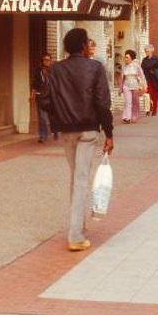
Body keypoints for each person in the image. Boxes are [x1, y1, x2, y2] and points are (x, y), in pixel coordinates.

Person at [39, 28, 113, 252]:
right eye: (88, 43)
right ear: (83, 46)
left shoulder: (56, 69)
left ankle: (78, 226)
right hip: (88, 130)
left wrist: (58, 119)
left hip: (67, 130)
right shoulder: (95, 68)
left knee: (75, 177)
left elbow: (45, 100)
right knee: (81, 179)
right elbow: (102, 102)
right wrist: (109, 132)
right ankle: (76, 234)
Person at [31, 52, 56, 143]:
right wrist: (32, 95)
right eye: (45, 60)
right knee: (42, 117)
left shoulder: (53, 71)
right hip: (41, 96)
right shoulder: (38, 71)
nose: (47, 62)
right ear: (42, 61)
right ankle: (42, 136)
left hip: (51, 96)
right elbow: (34, 83)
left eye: (48, 60)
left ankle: (54, 131)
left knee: (52, 116)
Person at [120, 49, 146, 123]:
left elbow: (142, 76)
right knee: (127, 102)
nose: (125, 59)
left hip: (135, 86)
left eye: (127, 57)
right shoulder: (124, 67)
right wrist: (120, 88)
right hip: (126, 86)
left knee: (135, 102)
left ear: (131, 58)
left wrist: (144, 86)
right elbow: (122, 79)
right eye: (125, 57)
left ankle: (134, 115)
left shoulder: (136, 66)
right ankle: (126, 117)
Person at [141, 45, 158, 116]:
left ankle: (154, 110)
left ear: (151, 51)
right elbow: (142, 69)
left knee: (155, 96)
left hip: (155, 79)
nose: (146, 53)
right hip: (147, 79)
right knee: (147, 95)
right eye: (146, 51)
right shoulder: (144, 60)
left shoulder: (156, 59)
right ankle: (148, 109)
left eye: (148, 51)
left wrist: (155, 71)